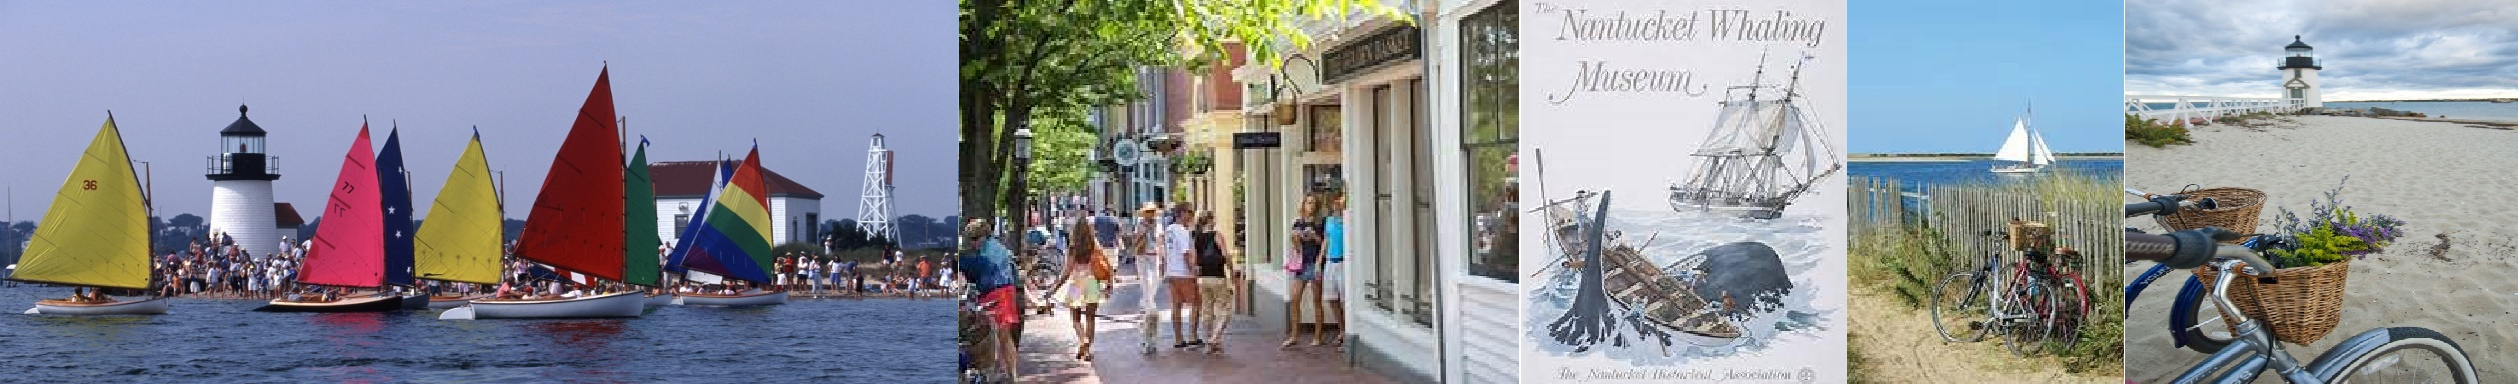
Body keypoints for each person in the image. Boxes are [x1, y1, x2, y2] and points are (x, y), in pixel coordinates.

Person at [1044, 216, 1111, 361]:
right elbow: (1106, 263)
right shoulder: (1094, 244)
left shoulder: (1073, 247)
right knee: (1091, 319)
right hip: (1092, 282)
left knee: (1075, 319)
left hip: (1077, 284)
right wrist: (1108, 285)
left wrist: (1054, 289)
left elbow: (1066, 272)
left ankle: (1083, 341)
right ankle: (1087, 349)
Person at [1285, 193, 1327, 348]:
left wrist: (1314, 236)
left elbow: (1324, 243)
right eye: (1308, 203)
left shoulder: (1320, 223)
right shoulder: (1298, 223)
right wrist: (1296, 239)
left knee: (1317, 301)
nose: (1310, 206)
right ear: (1303, 205)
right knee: (1294, 299)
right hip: (1301, 266)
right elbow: (1296, 248)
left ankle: (1318, 336)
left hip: (1315, 264)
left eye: (1313, 203)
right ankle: (1294, 336)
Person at [1190, 210, 1233, 354]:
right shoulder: (1217, 235)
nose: (1215, 220)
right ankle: (1214, 338)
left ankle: (1211, 343)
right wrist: (1232, 272)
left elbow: (1195, 261)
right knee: (1225, 310)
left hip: (1203, 278)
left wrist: (1197, 278)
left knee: (1207, 311)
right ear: (1209, 220)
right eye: (1213, 218)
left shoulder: (1197, 238)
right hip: (1218, 276)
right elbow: (1226, 255)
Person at [1161, 202, 1201, 349]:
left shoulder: (1169, 230)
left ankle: (1178, 338)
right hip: (1184, 273)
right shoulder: (1182, 231)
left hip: (1172, 272)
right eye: (1190, 212)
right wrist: (1192, 269)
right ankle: (1192, 336)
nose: (1191, 216)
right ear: (1182, 213)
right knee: (1196, 303)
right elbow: (1186, 253)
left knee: (1176, 305)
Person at [1322, 194, 1349, 350]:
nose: (1336, 205)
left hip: (1344, 262)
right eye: (1334, 202)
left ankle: (1347, 334)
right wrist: (1320, 260)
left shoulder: (1347, 220)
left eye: (1339, 202)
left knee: (1345, 300)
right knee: (1332, 298)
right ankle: (1342, 329)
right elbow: (1327, 239)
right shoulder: (1329, 220)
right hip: (1331, 262)